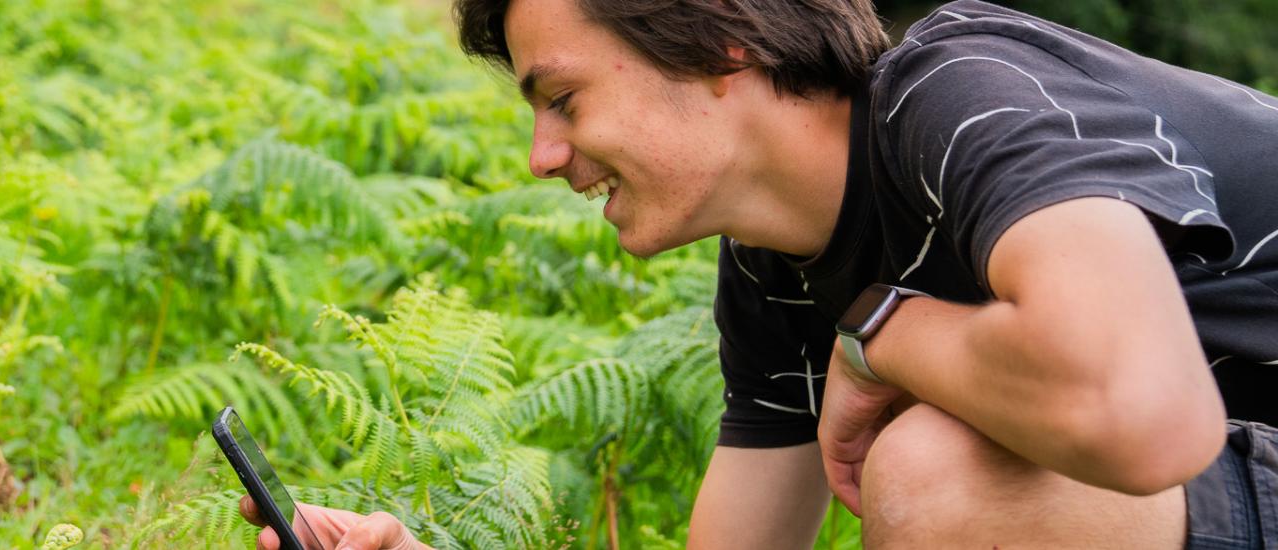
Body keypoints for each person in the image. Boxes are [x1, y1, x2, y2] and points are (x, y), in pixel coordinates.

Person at [239, 0, 1278, 547]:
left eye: (562, 98)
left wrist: (880, 335)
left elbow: (1144, 414)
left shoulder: (964, 94)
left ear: (719, 38)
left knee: (936, 476)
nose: (543, 157)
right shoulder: (776, 264)